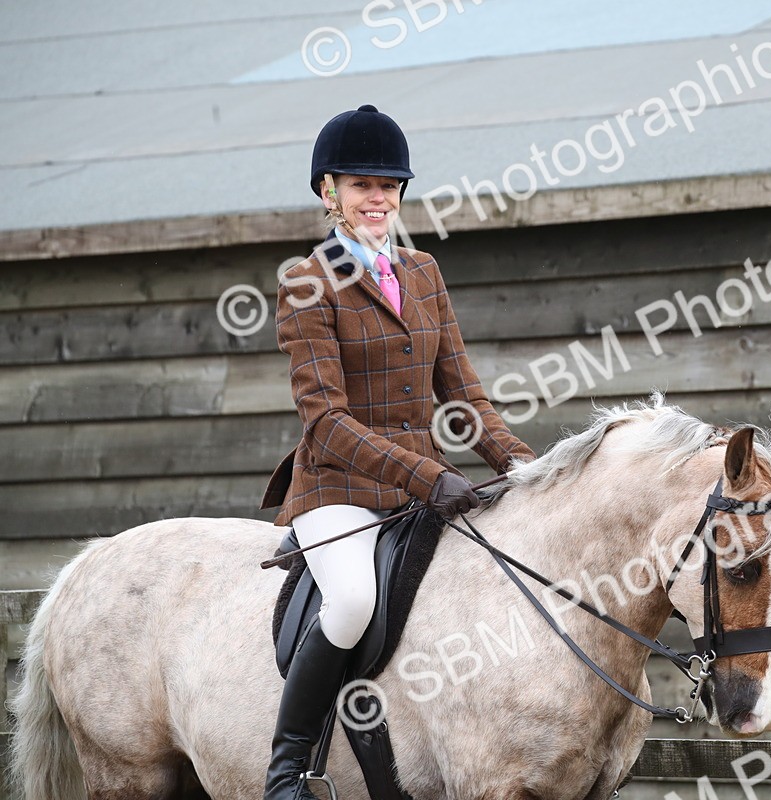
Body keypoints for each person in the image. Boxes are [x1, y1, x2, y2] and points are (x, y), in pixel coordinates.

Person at [258, 104, 536, 800]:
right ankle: (287, 772)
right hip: (337, 489)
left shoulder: (422, 271)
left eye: (389, 185)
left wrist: (521, 464)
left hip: (421, 491)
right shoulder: (305, 281)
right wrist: (428, 472)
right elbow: (326, 420)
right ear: (330, 192)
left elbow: (463, 393)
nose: (377, 198)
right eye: (361, 185)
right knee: (351, 601)